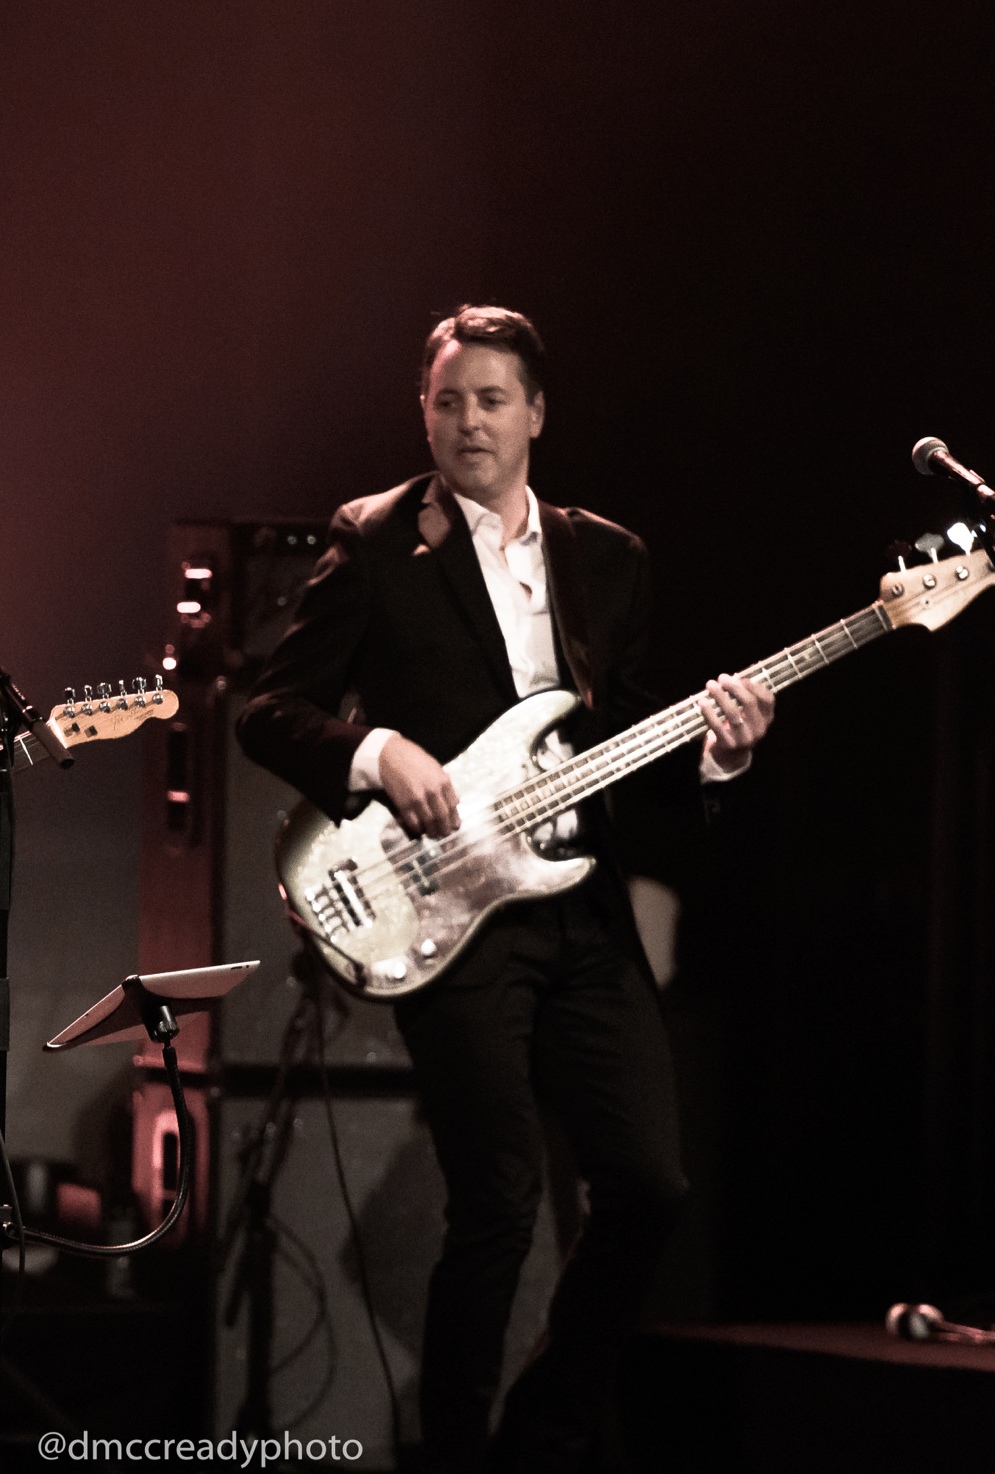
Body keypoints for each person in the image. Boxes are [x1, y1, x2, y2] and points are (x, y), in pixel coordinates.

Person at [236, 305, 775, 1472]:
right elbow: (267, 711)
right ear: (422, 414)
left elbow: (622, 747)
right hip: (449, 903)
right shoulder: (374, 539)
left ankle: (543, 1434)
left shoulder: (608, 558)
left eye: (490, 400)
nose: (467, 421)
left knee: (648, 1185)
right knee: (497, 1203)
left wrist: (718, 757)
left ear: (535, 414)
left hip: (579, 904)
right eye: (447, 401)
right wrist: (377, 753)